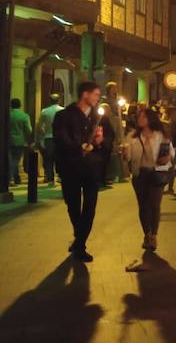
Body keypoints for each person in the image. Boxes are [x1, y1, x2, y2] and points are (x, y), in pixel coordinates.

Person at [53, 81, 104, 262]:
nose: (98, 99)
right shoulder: (64, 116)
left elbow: (105, 142)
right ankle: (79, 240)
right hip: (71, 168)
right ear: (85, 95)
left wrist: (99, 141)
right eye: (96, 95)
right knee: (73, 206)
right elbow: (60, 139)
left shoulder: (95, 118)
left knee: (90, 207)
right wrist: (79, 146)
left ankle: (80, 244)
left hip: (91, 168)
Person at [122, 108, 173, 252]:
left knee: (155, 205)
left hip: (156, 173)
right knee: (143, 205)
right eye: (139, 116)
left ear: (150, 119)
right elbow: (128, 158)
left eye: (143, 117)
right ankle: (147, 233)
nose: (140, 119)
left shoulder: (161, 135)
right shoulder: (132, 137)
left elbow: (170, 152)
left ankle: (154, 235)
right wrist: (125, 154)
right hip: (140, 174)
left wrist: (167, 157)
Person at [37, 94, 64, 186]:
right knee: (60, 157)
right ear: (59, 100)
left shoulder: (44, 111)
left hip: (48, 137)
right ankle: (60, 176)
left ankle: (50, 178)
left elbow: (40, 126)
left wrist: (43, 133)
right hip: (60, 137)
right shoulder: (62, 110)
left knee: (49, 158)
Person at [8, 98, 33, 186]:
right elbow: (29, 130)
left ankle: (16, 178)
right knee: (15, 160)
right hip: (20, 141)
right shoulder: (24, 116)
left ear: (11, 105)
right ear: (20, 105)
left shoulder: (7, 115)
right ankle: (11, 178)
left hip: (8, 140)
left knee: (10, 159)